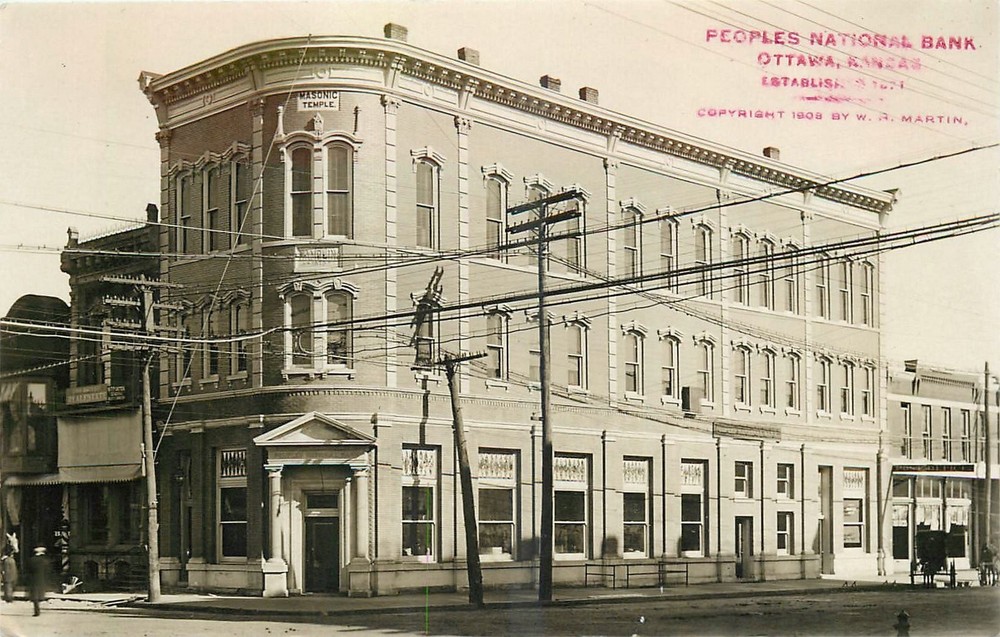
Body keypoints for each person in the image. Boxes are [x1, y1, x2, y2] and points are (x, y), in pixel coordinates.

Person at [27, 546, 48, 616]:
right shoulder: (44, 561)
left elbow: (29, 570)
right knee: (39, 594)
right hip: (42, 579)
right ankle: (38, 609)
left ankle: (36, 610)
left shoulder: (32, 560)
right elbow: (48, 571)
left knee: (35, 596)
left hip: (34, 579)